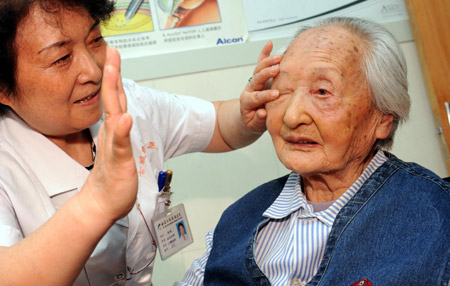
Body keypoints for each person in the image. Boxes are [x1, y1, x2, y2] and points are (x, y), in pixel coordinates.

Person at [0, 0, 282, 285]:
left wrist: (247, 116)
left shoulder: (129, 104)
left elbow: (219, 125)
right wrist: (95, 203)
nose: (93, 71)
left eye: (95, 40)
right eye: (61, 58)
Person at [177, 17, 450, 286]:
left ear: (382, 119)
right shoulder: (237, 220)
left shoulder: (437, 220)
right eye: (282, 91)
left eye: (322, 91)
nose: (292, 116)